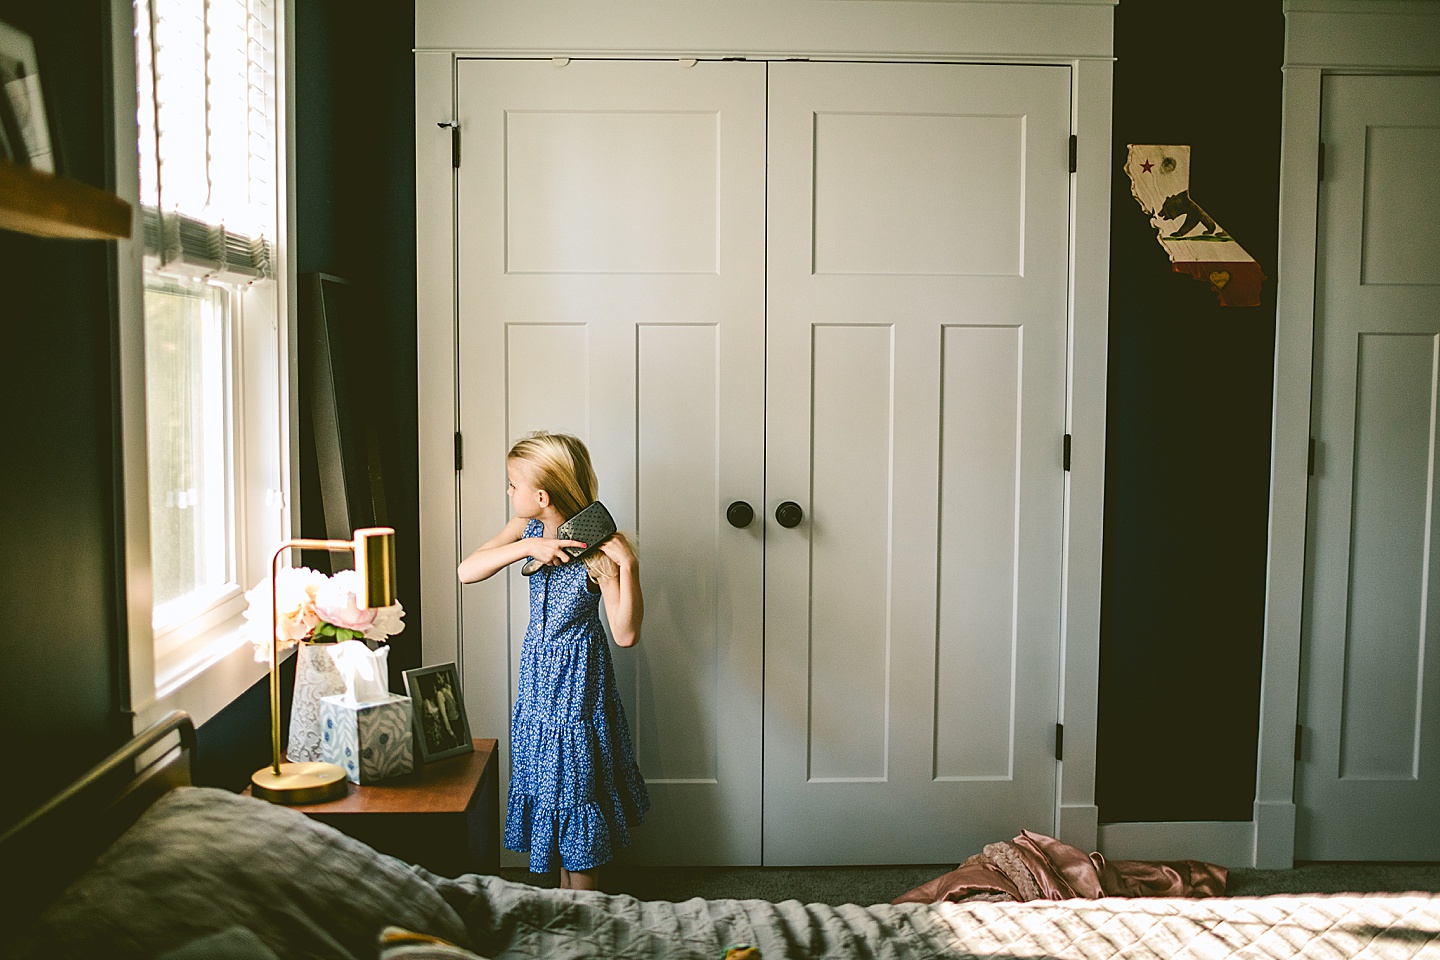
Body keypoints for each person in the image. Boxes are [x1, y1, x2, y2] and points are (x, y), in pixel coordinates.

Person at [457, 432, 648, 891]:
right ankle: (567, 902)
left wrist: (629, 568)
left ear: (540, 496)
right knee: (555, 789)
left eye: (511, 484)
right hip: (537, 682)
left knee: (575, 793)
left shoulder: (595, 550)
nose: (508, 492)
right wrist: (527, 548)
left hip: (576, 686)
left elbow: (625, 633)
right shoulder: (525, 530)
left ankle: (585, 913)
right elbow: (467, 570)